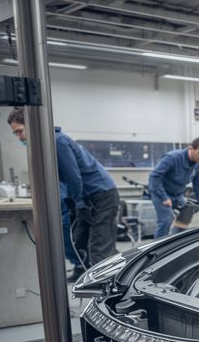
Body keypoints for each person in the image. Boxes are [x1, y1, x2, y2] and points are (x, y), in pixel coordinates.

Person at [8, 108, 120, 274]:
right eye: (15, 134)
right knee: (77, 242)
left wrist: (78, 202)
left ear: (31, 126)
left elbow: (73, 177)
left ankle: (110, 289)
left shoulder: (57, 141)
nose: (19, 137)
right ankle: (85, 273)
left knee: (99, 247)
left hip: (101, 195)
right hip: (86, 196)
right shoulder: (46, 143)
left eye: (19, 131)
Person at [148, 138, 199, 238]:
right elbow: (154, 177)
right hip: (160, 192)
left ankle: (176, 243)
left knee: (187, 212)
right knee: (166, 221)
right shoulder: (172, 157)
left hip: (177, 194)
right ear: (191, 149)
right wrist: (164, 197)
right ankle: (156, 250)